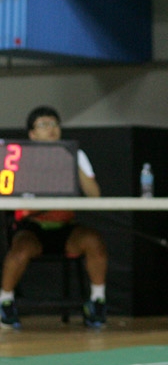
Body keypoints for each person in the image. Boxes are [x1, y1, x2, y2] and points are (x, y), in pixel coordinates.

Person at [0, 106, 108, 330]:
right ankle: (5, 303)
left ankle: (97, 301)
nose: (51, 129)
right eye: (43, 125)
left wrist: (71, 159)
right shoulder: (18, 158)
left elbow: (95, 194)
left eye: (54, 124)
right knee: (19, 251)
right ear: (32, 134)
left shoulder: (76, 155)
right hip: (32, 229)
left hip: (65, 228)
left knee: (93, 241)